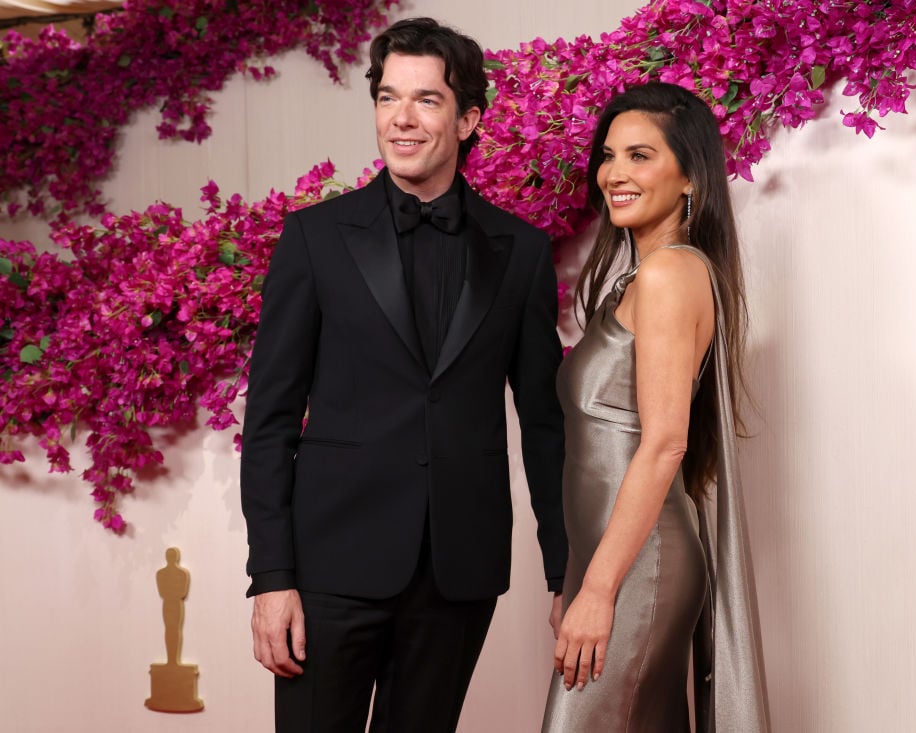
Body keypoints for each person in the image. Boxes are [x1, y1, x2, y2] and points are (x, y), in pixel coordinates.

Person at [240, 17, 568, 733]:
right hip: (328, 568)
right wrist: (272, 576)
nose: (402, 120)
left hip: (457, 572)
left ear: (469, 117)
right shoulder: (315, 238)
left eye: (426, 100)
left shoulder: (521, 251)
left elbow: (545, 423)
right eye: (388, 98)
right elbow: (268, 422)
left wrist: (564, 569)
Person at [541, 83, 770, 732]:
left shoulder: (671, 274)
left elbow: (666, 442)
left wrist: (600, 587)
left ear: (690, 175)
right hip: (617, 556)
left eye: (639, 155)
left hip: (641, 564)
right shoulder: (636, 278)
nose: (614, 172)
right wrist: (578, 576)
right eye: (608, 155)